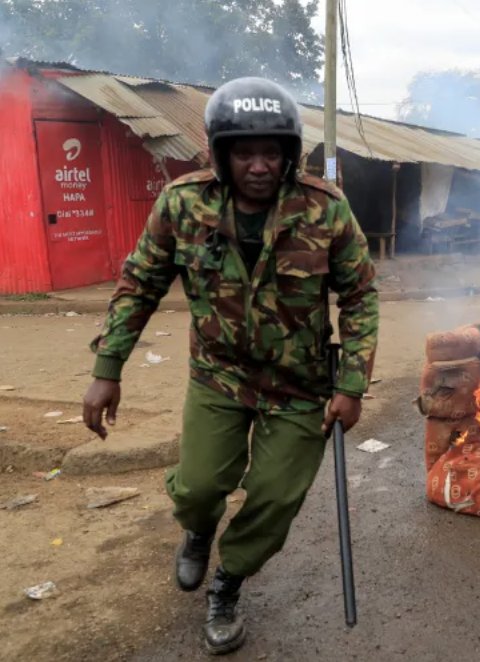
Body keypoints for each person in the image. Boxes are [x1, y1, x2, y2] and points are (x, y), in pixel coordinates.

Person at [81, 77, 379, 655]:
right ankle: (197, 529)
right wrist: (107, 367)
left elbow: (361, 295)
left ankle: (228, 583)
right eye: (245, 152)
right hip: (218, 377)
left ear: (290, 155)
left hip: (299, 387)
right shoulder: (183, 204)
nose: (260, 166)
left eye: (272, 152)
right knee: (198, 487)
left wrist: (352, 384)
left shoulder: (325, 210)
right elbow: (139, 283)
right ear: (221, 153)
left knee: (273, 498)